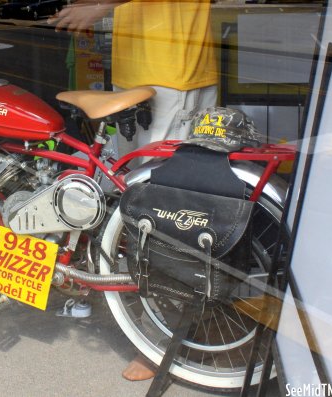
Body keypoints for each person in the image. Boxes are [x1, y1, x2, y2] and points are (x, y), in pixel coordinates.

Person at [51, 0, 219, 381]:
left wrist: (100, 7)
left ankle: (168, 336)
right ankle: (166, 321)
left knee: (166, 212)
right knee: (134, 204)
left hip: (175, 74)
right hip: (140, 68)